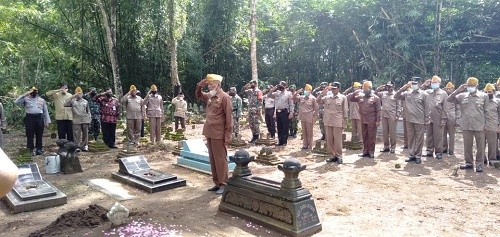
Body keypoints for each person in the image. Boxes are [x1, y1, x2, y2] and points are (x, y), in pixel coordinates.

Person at [195, 74, 232, 195]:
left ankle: (223, 183)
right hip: (209, 132)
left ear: (218, 84)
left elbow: (229, 118)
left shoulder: (224, 97)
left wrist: (227, 136)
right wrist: (199, 86)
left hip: (219, 133)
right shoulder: (210, 96)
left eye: (211, 84)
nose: (209, 86)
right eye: (209, 84)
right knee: (213, 159)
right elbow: (199, 95)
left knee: (220, 159)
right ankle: (217, 183)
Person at [448, 77, 487, 172]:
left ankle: (479, 164)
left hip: (480, 125)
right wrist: (458, 90)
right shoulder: (462, 95)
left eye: (472, 86)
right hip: (466, 125)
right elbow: (450, 99)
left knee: (480, 146)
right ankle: (469, 163)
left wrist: (486, 125)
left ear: (477, 86)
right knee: (467, 145)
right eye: (468, 85)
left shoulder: (483, 96)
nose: (470, 87)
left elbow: (487, 112)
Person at [395, 77, 430, 164]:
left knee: (419, 139)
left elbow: (427, 108)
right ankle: (411, 155)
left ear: (419, 83)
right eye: (412, 83)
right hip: (409, 120)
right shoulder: (407, 93)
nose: (414, 85)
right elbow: (396, 96)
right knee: (410, 138)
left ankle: (418, 156)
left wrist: (426, 119)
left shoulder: (424, 94)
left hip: (419, 120)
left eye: (415, 83)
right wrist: (404, 87)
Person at [347, 81, 381, 158]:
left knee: (371, 136)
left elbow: (378, 110)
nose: (365, 91)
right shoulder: (361, 96)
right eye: (364, 89)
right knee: (364, 136)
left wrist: (378, 120)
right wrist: (356, 92)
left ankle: (371, 152)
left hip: (372, 120)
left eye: (366, 89)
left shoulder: (376, 98)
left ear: (370, 89)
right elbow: (350, 99)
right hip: (363, 120)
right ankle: (365, 151)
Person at [15, 87, 51, 155]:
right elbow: (16, 101)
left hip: (39, 118)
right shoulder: (26, 99)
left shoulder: (41, 100)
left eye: (35, 91)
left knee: (39, 134)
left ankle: (39, 149)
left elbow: (45, 111)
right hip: (29, 118)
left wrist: (47, 121)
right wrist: (25, 94)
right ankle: (30, 149)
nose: (34, 92)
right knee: (30, 134)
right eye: (32, 91)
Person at [318, 82, 348, 163]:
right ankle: (332, 155)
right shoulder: (327, 97)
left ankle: (339, 156)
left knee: (338, 140)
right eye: (332, 88)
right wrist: (322, 93)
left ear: (339, 88)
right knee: (329, 140)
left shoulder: (343, 97)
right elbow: (318, 101)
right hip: (328, 121)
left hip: (337, 122)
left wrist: (344, 122)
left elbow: (345, 111)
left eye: (335, 88)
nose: (333, 90)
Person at [420, 76, 449, 159]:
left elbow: (445, 108)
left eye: (435, 82)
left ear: (439, 83)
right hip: (428, 117)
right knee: (429, 135)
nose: (433, 83)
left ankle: (438, 152)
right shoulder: (427, 92)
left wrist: (443, 119)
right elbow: (418, 92)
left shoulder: (443, 93)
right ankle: (429, 150)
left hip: (438, 117)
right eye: (432, 82)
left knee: (438, 135)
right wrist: (424, 85)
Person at [267, 81, 294, 146]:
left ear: (285, 86)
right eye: (279, 86)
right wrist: (272, 90)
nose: (280, 87)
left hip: (284, 112)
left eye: (282, 86)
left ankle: (284, 142)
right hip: (278, 112)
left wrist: (291, 113)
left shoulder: (288, 93)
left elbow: (291, 104)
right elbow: (269, 96)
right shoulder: (277, 93)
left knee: (285, 127)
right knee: (279, 127)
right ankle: (280, 141)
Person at [375, 81, 400, 153]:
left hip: (392, 116)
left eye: (390, 86)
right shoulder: (383, 93)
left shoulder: (396, 95)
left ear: (393, 86)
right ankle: (386, 146)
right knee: (385, 131)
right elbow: (375, 94)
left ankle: (393, 147)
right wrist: (379, 88)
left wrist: (397, 115)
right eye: (388, 86)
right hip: (384, 115)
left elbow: (399, 106)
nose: (389, 87)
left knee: (392, 132)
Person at [64, 87, 92, 151]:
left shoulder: (85, 101)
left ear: (82, 94)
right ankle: (77, 146)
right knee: (76, 134)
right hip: (76, 119)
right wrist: (73, 97)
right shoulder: (72, 101)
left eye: (80, 93)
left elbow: (88, 111)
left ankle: (85, 146)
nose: (79, 95)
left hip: (85, 119)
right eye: (78, 93)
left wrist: (90, 119)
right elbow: (65, 104)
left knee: (85, 133)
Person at [293, 84, 319, 150]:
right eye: (305, 90)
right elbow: (293, 98)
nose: (305, 91)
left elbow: (316, 109)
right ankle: (305, 145)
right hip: (302, 117)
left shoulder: (313, 98)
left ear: (310, 90)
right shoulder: (301, 97)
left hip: (309, 117)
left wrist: (314, 118)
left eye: (307, 90)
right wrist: (296, 92)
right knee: (304, 132)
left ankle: (310, 146)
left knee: (309, 132)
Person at [483, 83, 500, 165]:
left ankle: (492, 159)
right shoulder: (481, 101)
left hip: (493, 125)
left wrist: (498, 126)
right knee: (481, 144)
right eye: (486, 91)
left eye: (489, 92)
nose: (487, 93)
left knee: (492, 144)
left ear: (493, 91)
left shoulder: (498, 101)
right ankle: (482, 159)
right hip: (481, 126)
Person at [243, 79, 263, 143]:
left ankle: (257, 138)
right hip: (250, 110)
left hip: (256, 110)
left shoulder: (258, 91)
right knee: (251, 124)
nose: (251, 84)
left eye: (252, 83)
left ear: (255, 84)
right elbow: (244, 90)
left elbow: (260, 101)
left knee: (256, 124)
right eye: (250, 83)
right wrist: (247, 85)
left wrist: (259, 110)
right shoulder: (250, 91)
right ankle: (253, 137)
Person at [443, 82, 459, 155]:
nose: (449, 90)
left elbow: (458, 109)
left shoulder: (456, 97)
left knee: (451, 134)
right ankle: (444, 148)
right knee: (443, 133)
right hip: (443, 117)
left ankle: (451, 150)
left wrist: (457, 120)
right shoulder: (443, 96)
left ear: (453, 89)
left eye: (450, 88)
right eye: (447, 88)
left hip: (452, 118)